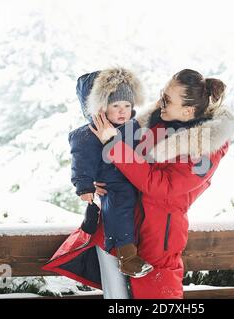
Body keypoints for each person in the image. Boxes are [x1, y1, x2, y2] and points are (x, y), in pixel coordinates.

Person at [43, 69, 234, 299]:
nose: (159, 103)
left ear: (188, 110)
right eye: (161, 95)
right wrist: (95, 178)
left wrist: (114, 146)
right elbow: (115, 156)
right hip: (118, 229)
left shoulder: (205, 146)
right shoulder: (156, 121)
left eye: (167, 99)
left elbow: (163, 187)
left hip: (159, 238)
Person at [69, 67, 153, 279]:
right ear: (100, 107)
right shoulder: (87, 135)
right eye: (116, 105)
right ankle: (127, 257)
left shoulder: (134, 126)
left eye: (127, 105)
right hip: (114, 184)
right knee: (119, 208)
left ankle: (137, 251)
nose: (123, 111)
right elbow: (82, 161)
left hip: (139, 180)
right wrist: (84, 186)